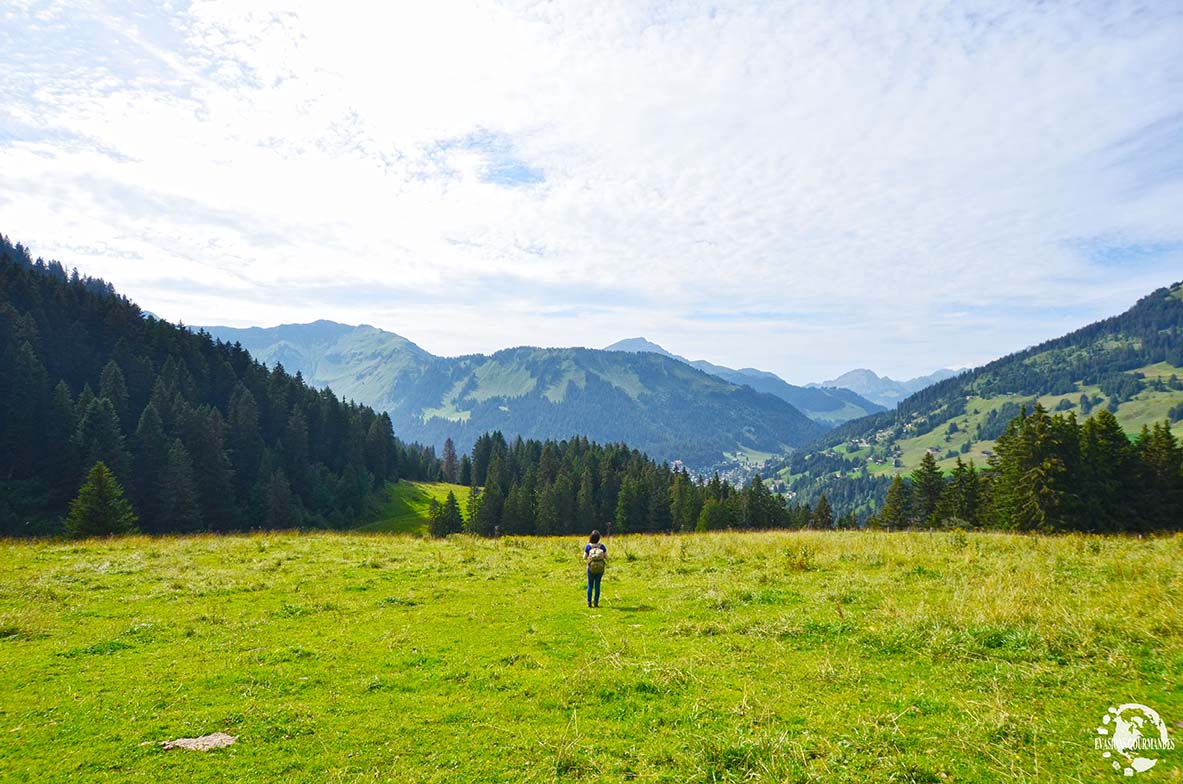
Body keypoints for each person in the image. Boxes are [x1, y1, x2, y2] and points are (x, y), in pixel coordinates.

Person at [583, 530, 607, 608]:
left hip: (590, 568)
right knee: (597, 585)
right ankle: (596, 603)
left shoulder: (588, 546)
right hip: (600, 569)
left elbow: (584, 557)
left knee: (590, 585)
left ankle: (589, 602)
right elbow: (607, 557)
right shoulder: (602, 546)